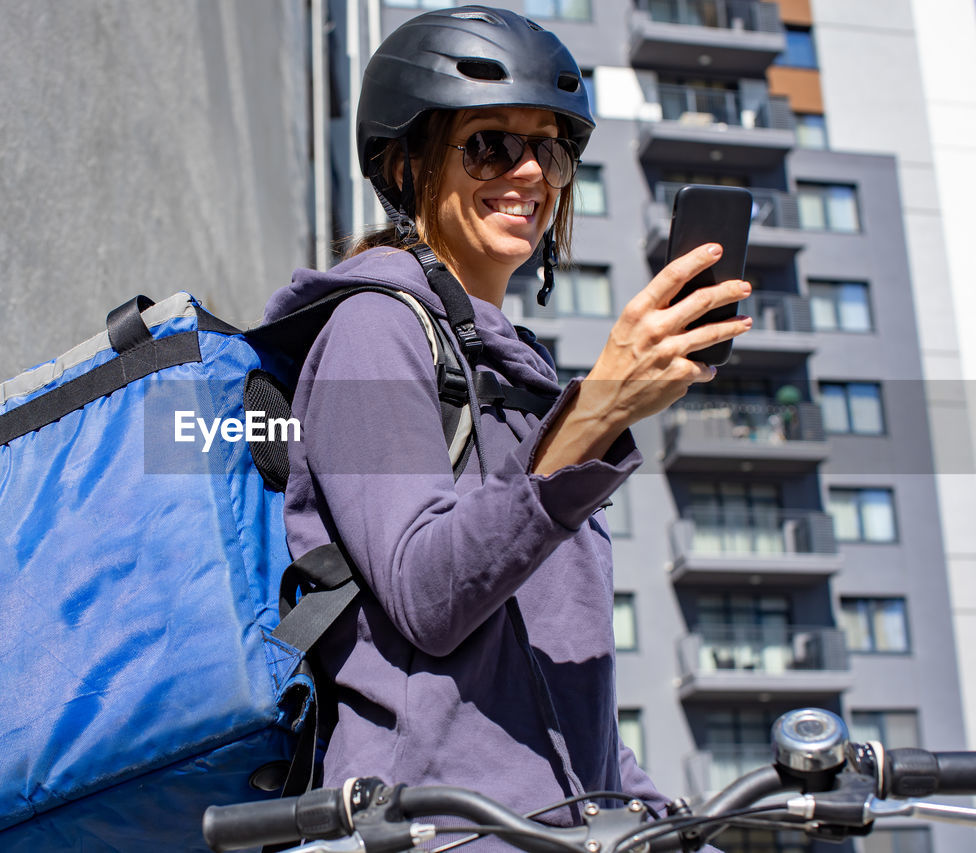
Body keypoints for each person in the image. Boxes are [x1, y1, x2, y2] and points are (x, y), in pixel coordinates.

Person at [261, 4, 752, 837]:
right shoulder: (372, 330)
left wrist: (646, 803)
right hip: (427, 826)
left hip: (546, 827)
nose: (528, 173)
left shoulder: (517, 377)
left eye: (549, 148)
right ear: (410, 161)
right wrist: (597, 406)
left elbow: (547, 680)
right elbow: (426, 590)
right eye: (490, 143)